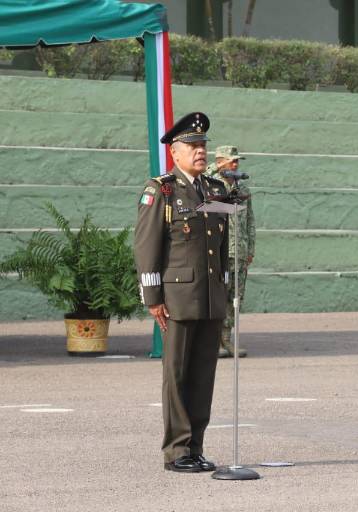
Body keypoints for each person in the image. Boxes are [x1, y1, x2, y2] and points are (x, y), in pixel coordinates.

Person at [134, 112, 229, 472]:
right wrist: (153, 298)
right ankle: (177, 451)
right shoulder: (161, 190)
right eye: (193, 145)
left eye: (203, 145)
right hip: (177, 298)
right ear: (175, 152)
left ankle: (196, 447)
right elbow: (146, 248)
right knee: (176, 376)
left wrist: (224, 286)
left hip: (210, 297)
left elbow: (221, 245)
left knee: (203, 375)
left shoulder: (216, 190)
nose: (200, 151)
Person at [205, 145, 256, 358]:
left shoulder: (242, 188)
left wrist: (250, 248)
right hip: (218, 252)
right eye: (231, 161)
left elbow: (250, 220)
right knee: (216, 296)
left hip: (240, 251)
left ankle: (226, 338)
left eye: (237, 161)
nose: (235, 165)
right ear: (219, 162)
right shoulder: (209, 185)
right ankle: (211, 341)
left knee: (235, 298)